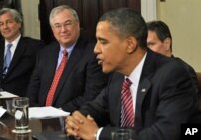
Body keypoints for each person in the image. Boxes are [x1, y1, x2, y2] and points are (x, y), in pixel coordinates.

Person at [65, 8, 198, 140]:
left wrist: (98, 134)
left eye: (103, 42)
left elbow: (167, 133)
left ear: (130, 44)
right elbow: (95, 108)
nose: (96, 49)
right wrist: (77, 121)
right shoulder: (118, 76)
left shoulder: (173, 74)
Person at [26, 5, 109, 112]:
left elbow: (91, 96)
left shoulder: (93, 53)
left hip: (70, 118)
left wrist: (58, 112)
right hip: (39, 117)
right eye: (57, 26)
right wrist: (35, 112)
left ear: (77, 24)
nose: (63, 30)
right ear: (52, 29)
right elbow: (32, 90)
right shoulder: (45, 53)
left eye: (68, 24)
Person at [147, 20, 198, 92]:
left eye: (151, 44)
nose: (146, 50)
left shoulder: (183, 72)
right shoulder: (145, 71)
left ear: (167, 44)